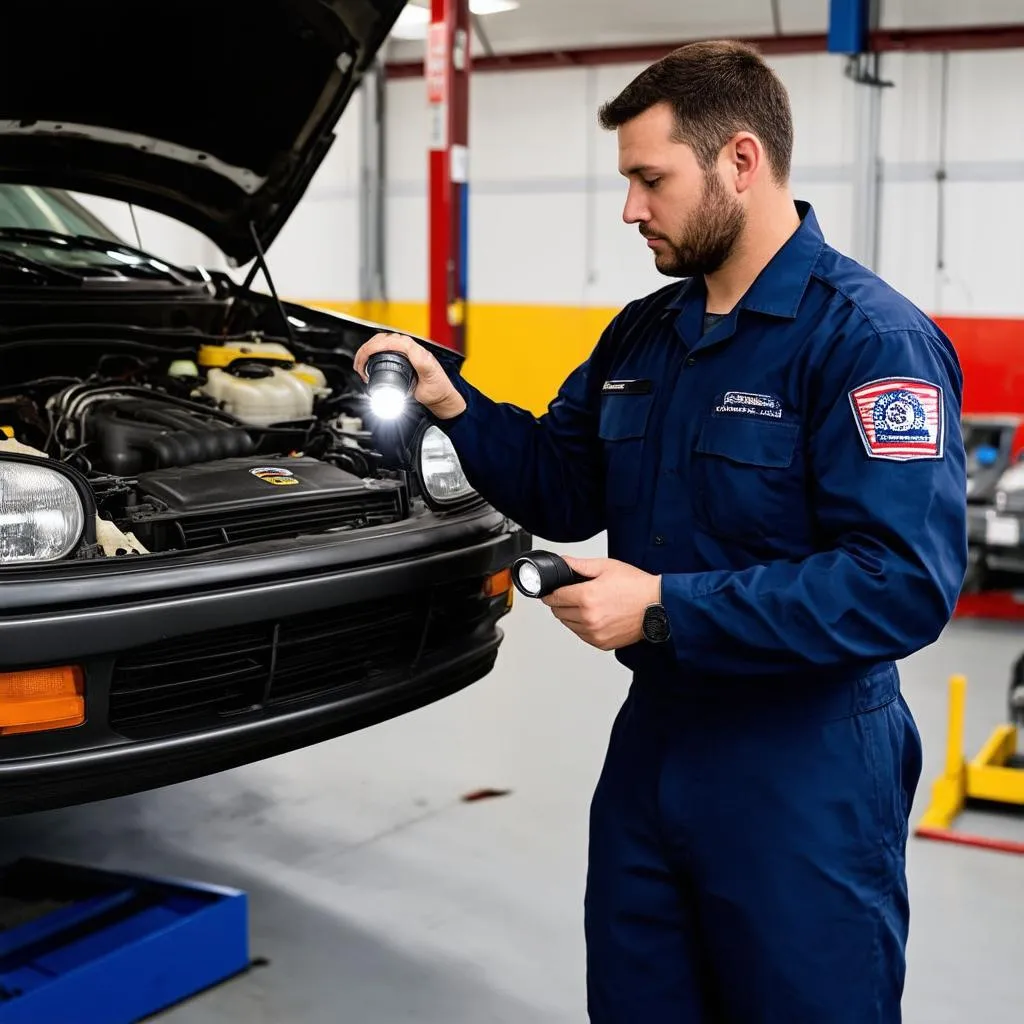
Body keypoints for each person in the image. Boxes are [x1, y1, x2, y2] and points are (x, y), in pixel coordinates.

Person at [354, 39, 967, 1024]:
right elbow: (560, 485)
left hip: (802, 762)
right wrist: (454, 404)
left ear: (739, 159)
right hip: (653, 750)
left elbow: (899, 582)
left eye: (650, 178)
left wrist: (665, 607)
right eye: (627, 181)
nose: (632, 208)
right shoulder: (642, 334)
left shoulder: (865, 341)